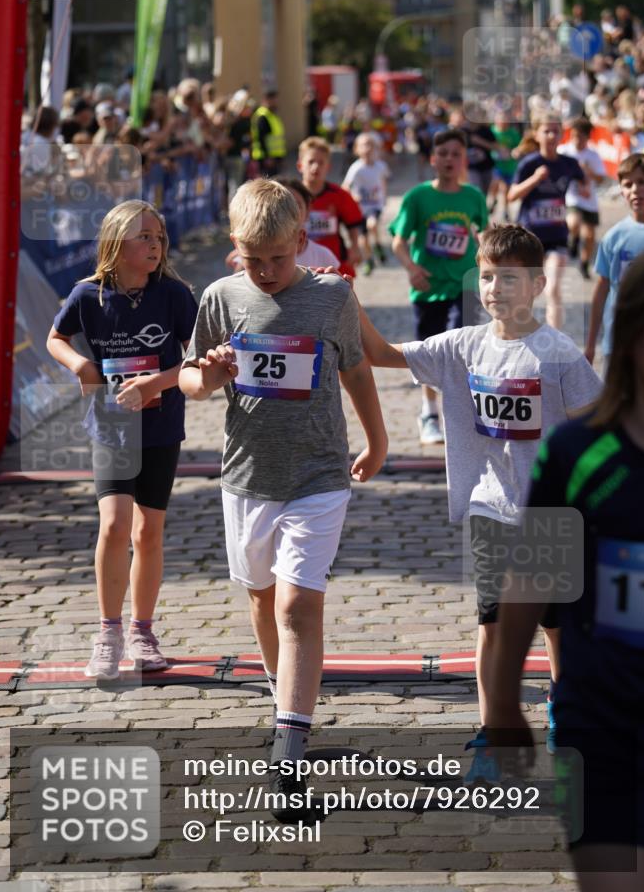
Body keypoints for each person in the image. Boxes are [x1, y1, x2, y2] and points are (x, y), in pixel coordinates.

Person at [179, 179, 387, 819]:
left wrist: (377, 439)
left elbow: (356, 368)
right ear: (234, 249)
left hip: (319, 476)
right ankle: (284, 701)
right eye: (252, 258)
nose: (266, 271)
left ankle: (288, 755)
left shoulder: (331, 297)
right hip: (247, 477)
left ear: (302, 242)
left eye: (277, 256)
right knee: (263, 600)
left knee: (299, 605)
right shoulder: (220, 297)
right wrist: (207, 377)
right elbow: (191, 377)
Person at [356, 224, 601, 762]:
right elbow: (378, 353)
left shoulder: (557, 354)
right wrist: (343, 293)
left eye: (509, 279)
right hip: (489, 507)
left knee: (556, 627)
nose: (495, 289)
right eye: (487, 277)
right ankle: (494, 730)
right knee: (492, 623)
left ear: (538, 284)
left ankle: (567, 712)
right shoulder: (462, 347)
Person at [486, 248, 644, 891]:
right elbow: (530, 581)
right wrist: (503, 700)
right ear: (633, 328)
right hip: (603, 725)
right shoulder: (579, 453)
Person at [46, 200, 198, 681]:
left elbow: (197, 359)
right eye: (144, 237)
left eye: (159, 237)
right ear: (116, 243)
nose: (155, 245)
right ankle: (108, 631)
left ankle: (142, 632)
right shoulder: (87, 295)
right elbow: (55, 337)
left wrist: (157, 382)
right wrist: (81, 366)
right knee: (113, 526)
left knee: (147, 532)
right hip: (111, 426)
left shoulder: (174, 294)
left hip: (160, 426)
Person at [388, 128, 488, 445]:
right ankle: (429, 412)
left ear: (464, 160)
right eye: (442, 154)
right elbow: (398, 241)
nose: (449, 159)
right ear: (433, 159)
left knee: (463, 347)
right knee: (429, 353)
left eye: (455, 154)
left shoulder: (473, 197)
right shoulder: (417, 197)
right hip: (428, 286)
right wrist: (412, 268)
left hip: (465, 284)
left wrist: (488, 268)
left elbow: (484, 236)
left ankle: (460, 411)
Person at [508, 113, 588, 330]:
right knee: (525, 291)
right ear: (536, 134)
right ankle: (520, 333)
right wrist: (535, 179)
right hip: (529, 237)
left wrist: (583, 189)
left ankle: (555, 339)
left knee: (552, 288)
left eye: (556, 131)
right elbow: (511, 195)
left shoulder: (569, 163)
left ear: (563, 134)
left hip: (557, 236)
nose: (552, 135)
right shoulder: (529, 163)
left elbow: (585, 185)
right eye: (546, 131)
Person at [585, 154, 644, 368]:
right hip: (618, 344)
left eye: (643, 181)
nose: (635, 189)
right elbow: (601, 290)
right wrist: (590, 345)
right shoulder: (614, 237)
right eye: (628, 184)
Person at [224, 177, 340, 273]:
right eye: (281, 206)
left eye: (296, 205)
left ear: (308, 210)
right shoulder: (248, 254)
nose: (290, 212)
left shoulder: (323, 256)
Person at [297, 136, 364, 277]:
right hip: (297, 265)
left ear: (328, 167)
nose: (316, 167)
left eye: (321, 163)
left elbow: (353, 224)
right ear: (300, 166)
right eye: (311, 162)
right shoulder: (289, 196)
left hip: (332, 264)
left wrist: (355, 247)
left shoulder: (339, 195)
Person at [558, 117, 607, 279]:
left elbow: (601, 179)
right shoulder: (564, 151)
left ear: (587, 137)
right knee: (573, 222)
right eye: (573, 136)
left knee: (590, 236)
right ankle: (573, 238)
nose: (576, 140)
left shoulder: (593, 155)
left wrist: (588, 171)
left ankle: (584, 264)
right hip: (571, 196)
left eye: (580, 136)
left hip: (589, 199)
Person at [342, 131, 390, 275]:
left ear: (377, 149)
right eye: (364, 145)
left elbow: (383, 181)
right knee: (363, 239)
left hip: (375, 205)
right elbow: (345, 187)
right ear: (357, 149)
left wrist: (384, 197)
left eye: (371, 145)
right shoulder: (356, 168)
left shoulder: (381, 166)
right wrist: (352, 196)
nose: (368, 148)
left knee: (372, 224)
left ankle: (378, 245)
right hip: (360, 207)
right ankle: (369, 260)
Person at [250, 88, 286, 176]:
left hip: (274, 156)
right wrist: (267, 157)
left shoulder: (271, 115)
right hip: (265, 158)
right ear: (266, 100)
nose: (276, 102)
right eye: (273, 100)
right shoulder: (262, 116)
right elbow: (261, 137)